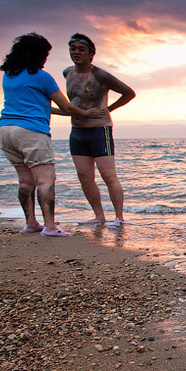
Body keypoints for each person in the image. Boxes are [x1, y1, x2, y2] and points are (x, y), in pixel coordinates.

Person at [0, 33, 105, 237]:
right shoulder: (42, 77)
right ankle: (50, 226)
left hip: (6, 130)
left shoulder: (9, 75)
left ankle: (31, 223)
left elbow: (35, 103)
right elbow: (66, 106)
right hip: (31, 131)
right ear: (37, 55)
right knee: (46, 179)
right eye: (45, 54)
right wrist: (87, 113)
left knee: (25, 181)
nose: (46, 58)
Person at [56, 33, 135, 227]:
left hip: (100, 130)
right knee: (84, 177)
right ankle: (99, 216)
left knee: (108, 175)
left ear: (91, 54)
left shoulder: (99, 74)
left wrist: (108, 109)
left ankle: (119, 218)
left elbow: (129, 93)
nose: (76, 52)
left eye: (81, 49)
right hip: (77, 131)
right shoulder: (68, 72)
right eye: (72, 49)